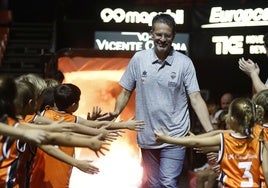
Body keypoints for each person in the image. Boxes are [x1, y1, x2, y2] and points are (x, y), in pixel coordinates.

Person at [98, 13, 214, 188]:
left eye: (167, 35)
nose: (162, 39)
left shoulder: (184, 63)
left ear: (173, 36)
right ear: (151, 34)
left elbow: (196, 99)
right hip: (147, 136)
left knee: (168, 182)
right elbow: (125, 92)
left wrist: (212, 133)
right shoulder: (139, 59)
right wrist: (115, 114)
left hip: (175, 136)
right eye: (159, 34)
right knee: (153, 184)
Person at [155, 97, 268, 187]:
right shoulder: (260, 140)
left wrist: (167, 139)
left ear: (232, 119)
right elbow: (266, 171)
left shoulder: (224, 138)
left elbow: (195, 143)